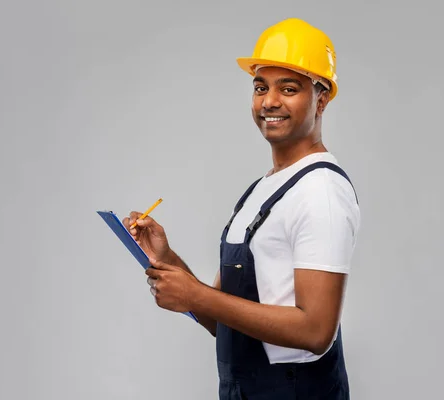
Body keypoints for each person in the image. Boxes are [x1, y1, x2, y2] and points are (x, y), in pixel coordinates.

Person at [123, 17, 360, 400]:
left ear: (323, 98)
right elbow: (223, 321)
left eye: (289, 88)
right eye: (260, 86)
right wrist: (167, 261)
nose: (269, 101)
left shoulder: (321, 192)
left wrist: (195, 295)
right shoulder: (263, 189)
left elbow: (316, 332)